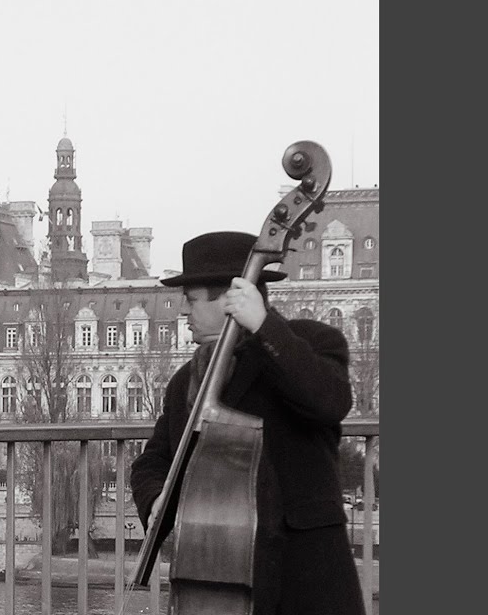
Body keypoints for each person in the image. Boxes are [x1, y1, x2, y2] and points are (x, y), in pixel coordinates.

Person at [130, 231, 365, 615]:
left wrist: (264, 325)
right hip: (218, 572)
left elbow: (330, 401)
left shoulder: (311, 341)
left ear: (230, 298)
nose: (184, 311)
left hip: (308, 574)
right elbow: (153, 461)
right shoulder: (187, 380)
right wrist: (156, 498)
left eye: (191, 299)